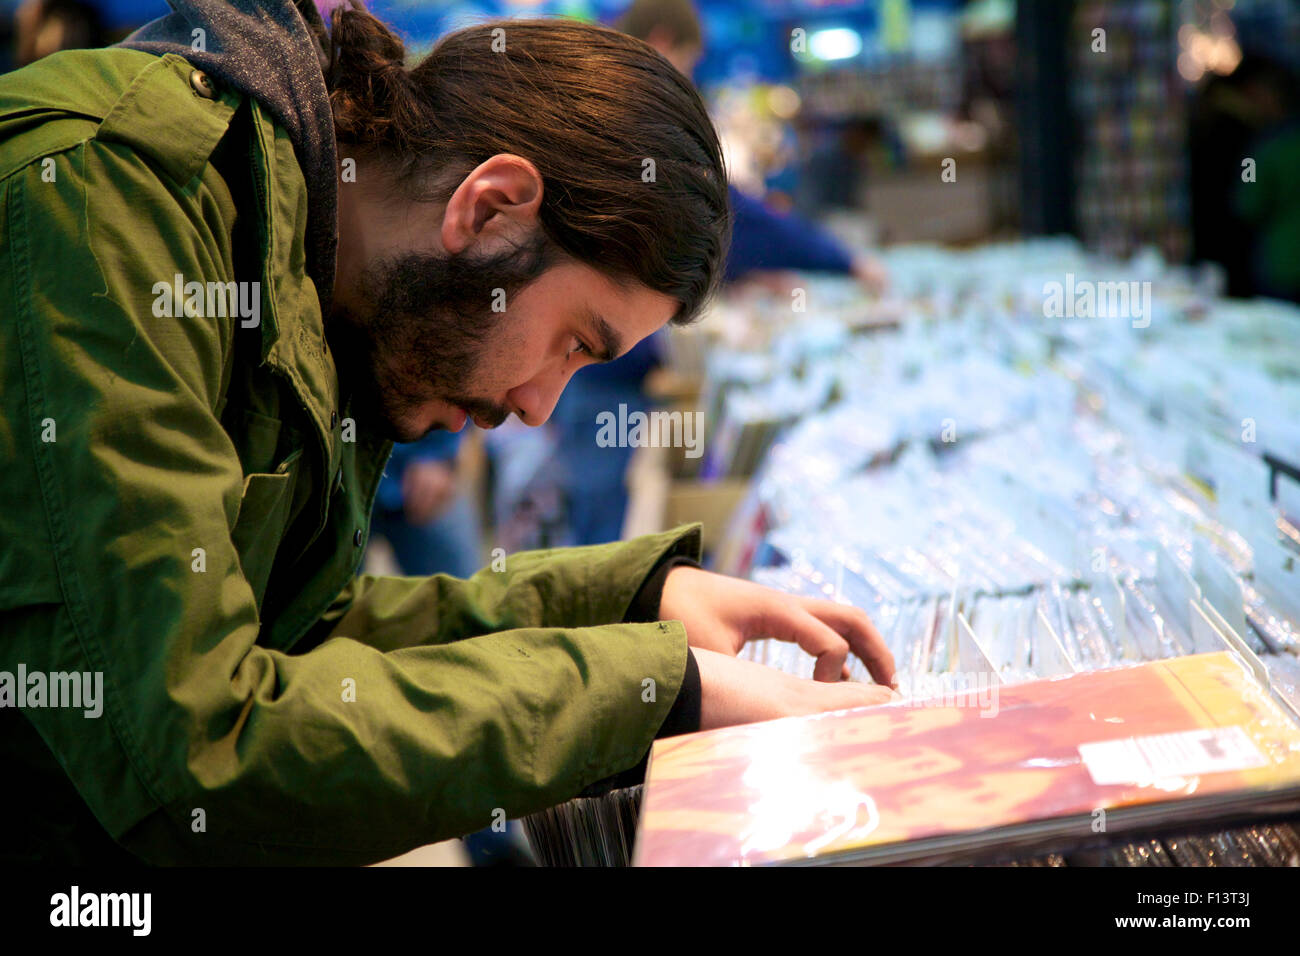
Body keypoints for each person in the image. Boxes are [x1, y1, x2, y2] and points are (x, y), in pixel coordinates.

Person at [0, 0, 897, 865]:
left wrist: (633, 605)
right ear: (490, 206)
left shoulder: (306, 265)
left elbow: (298, 637)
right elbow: (197, 751)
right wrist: (656, 689)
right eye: (575, 341)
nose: (541, 406)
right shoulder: (107, 198)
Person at [545, 0, 887, 550]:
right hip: (601, 374)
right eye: (689, 61)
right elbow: (724, 212)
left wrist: (735, 276)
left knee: (603, 516)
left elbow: (677, 225)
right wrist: (842, 259)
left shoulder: (598, 104)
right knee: (603, 534)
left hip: (596, 366)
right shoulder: (629, 114)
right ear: (662, 43)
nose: (689, 79)